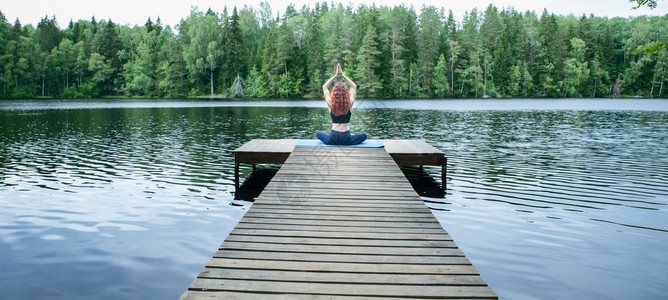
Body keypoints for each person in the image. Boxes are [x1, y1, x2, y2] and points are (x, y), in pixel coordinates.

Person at [316, 63, 367, 145]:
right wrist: (343, 75)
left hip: (332, 138)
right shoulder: (349, 103)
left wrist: (335, 75)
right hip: (347, 138)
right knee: (363, 136)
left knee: (318, 133)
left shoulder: (331, 104)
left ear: (334, 93)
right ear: (346, 93)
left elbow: (324, 87)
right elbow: (354, 86)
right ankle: (352, 135)